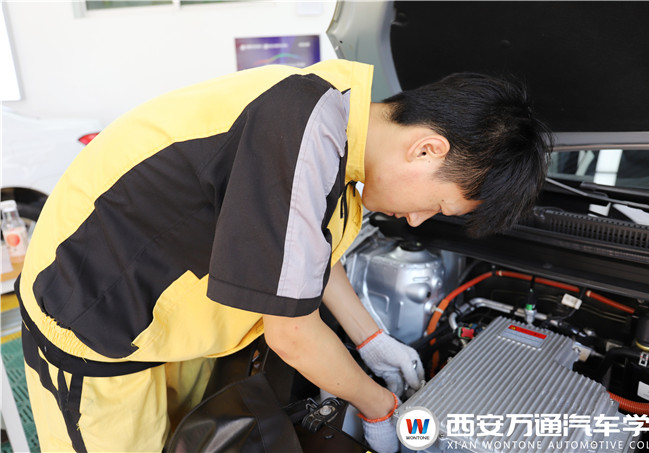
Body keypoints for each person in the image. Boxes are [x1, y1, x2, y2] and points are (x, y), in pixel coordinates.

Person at [16, 59, 551, 453]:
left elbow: (300, 248)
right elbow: (291, 334)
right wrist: (376, 404)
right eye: (436, 204)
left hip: (172, 322)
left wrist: (370, 337)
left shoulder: (338, 117)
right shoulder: (299, 131)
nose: (416, 220)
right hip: (96, 320)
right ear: (427, 149)